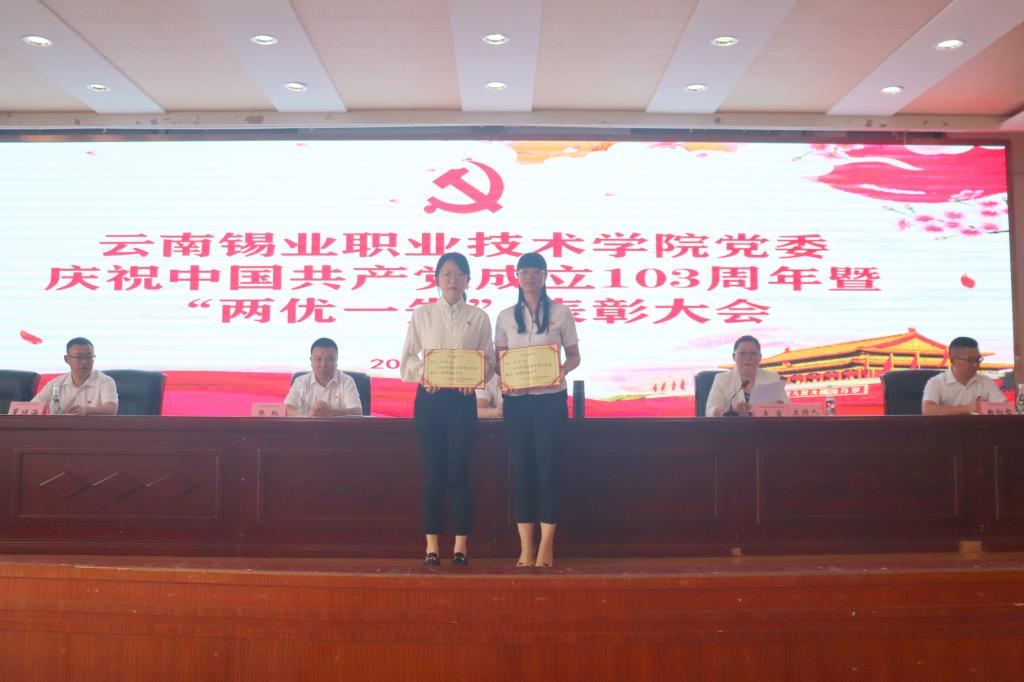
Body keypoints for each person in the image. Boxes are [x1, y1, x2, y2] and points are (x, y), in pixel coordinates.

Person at [400, 252, 494, 567]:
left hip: (461, 401)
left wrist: (477, 378)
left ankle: (461, 546)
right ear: (437, 280)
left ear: (468, 280)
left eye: (459, 274)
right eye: (446, 274)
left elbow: (488, 360)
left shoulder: (479, 317)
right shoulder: (422, 314)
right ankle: (431, 547)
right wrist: (423, 374)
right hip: (430, 399)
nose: (453, 280)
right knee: (434, 473)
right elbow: (407, 358)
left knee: (459, 472)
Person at [495, 252, 581, 568]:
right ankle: (525, 547)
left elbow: (574, 356)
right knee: (522, 471)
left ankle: (546, 545)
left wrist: (561, 369)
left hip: (550, 400)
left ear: (545, 275)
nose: (529, 277)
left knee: (548, 470)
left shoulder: (561, 312)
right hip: (517, 402)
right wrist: (506, 377)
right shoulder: (505, 316)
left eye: (535, 271)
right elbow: (499, 362)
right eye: (524, 271)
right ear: (516, 276)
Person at [705, 335, 787, 417]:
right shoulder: (722, 379)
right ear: (734, 357)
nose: (748, 357)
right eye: (742, 353)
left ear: (760, 358)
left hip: (765, 424)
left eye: (753, 353)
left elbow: (787, 409)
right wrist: (730, 411)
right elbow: (710, 411)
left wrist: (781, 408)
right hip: (734, 425)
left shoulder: (772, 378)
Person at [32, 337, 118, 415]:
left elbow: (111, 409)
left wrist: (87, 410)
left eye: (89, 357)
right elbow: (32, 407)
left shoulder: (104, 381)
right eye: (79, 357)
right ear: (67, 359)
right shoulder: (55, 384)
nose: (84, 362)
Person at [922, 337, 1007, 415]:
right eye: (969, 360)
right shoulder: (937, 382)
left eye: (977, 360)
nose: (975, 365)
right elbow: (928, 410)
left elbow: (1006, 408)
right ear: (953, 360)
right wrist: (967, 408)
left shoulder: (986, 381)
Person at [285, 338, 362, 417]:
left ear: (336, 360)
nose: (323, 365)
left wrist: (329, 412)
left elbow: (357, 412)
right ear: (311, 360)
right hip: (307, 425)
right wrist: (309, 414)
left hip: (338, 425)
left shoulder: (347, 381)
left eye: (330, 359)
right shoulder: (300, 382)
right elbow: (286, 410)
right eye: (318, 359)